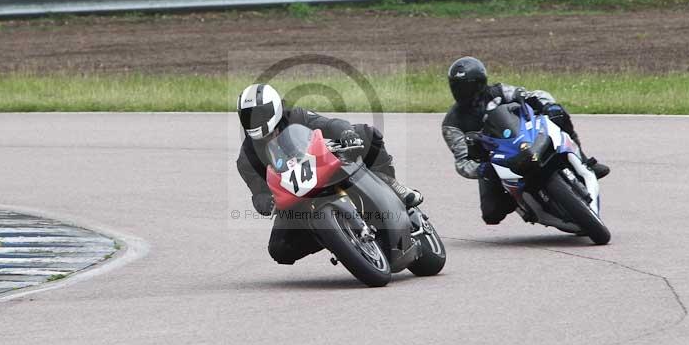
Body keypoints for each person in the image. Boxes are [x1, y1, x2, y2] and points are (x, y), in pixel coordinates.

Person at [237, 83, 422, 265]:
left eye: (260, 114)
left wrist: (347, 133)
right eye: (248, 116)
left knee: (367, 134)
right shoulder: (247, 158)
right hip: (294, 197)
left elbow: (328, 124)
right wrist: (265, 202)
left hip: (321, 165)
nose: (255, 120)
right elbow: (258, 191)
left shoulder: (295, 115)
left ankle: (392, 185)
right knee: (279, 249)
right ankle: (333, 235)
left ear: (275, 108)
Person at [441, 56, 610, 225]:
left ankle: (585, 162)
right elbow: (462, 161)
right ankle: (521, 203)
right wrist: (482, 169)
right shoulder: (452, 124)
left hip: (525, 137)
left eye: (468, 86)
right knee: (491, 214)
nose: (463, 92)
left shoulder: (499, 91)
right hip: (496, 162)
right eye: (457, 87)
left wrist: (547, 105)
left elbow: (531, 94)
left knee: (559, 114)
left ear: (480, 82)